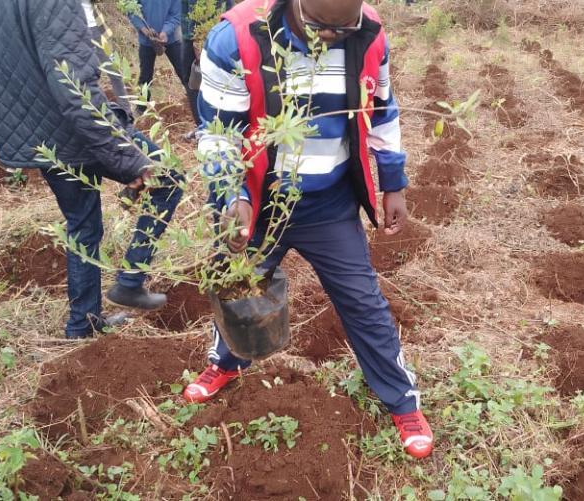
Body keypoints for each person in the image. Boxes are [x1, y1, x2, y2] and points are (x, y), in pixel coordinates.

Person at [182, 0, 434, 459]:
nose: (334, 38)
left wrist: (393, 182)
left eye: (346, 27)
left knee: (362, 300)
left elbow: (382, 109)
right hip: (258, 204)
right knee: (238, 287)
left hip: (329, 204)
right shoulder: (235, 38)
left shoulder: (370, 33)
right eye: (321, 29)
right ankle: (226, 362)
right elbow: (217, 132)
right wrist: (231, 196)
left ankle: (401, 399)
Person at [0, 0, 182, 339]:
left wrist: (24, 81)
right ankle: (130, 281)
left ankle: (82, 325)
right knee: (169, 178)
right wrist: (128, 160)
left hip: (36, 130)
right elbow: (75, 88)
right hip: (73, 126)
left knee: (83, 224)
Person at [181, 0, 234, 139]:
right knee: (193, 82)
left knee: (210, 81)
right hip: (194, 35)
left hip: (212, 34)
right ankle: (203, 126)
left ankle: (213, 127)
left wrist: (200, 40)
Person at [127, 0, 185, 113]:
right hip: (146, 40)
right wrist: (144, 29)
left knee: (183, 71)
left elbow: (176, 14)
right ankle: (141, 110)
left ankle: (197, 102)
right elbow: (130, 9)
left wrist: (165, 32)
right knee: (145, 77)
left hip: (171, 38)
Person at [81, 0, 131, 113]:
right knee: (87, 76)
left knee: (114, 71)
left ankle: (127, 113)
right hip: (77, 33)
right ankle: (99, 114)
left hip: (96, 29)